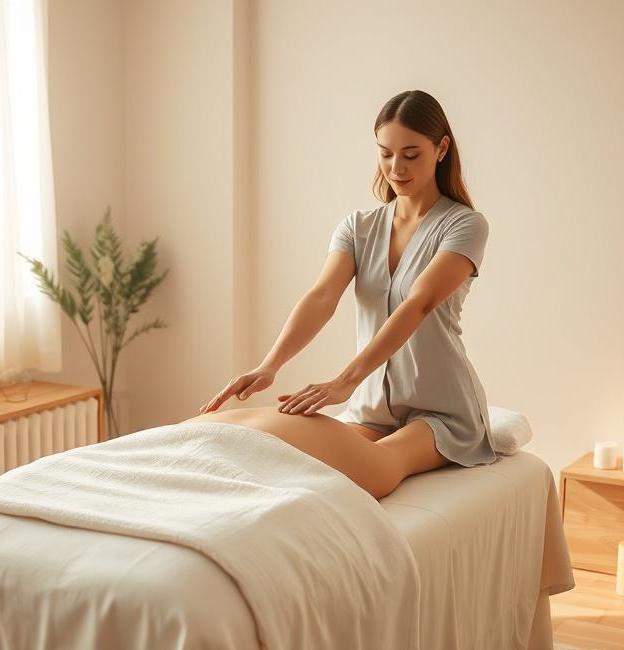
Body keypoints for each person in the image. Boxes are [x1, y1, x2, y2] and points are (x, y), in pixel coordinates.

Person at [185, 90, 497, 499]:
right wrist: (270, 365)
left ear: (441, 149)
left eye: (411, 154)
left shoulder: (465, 225)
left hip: (441, 411)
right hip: (372, 410)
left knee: (380, 466)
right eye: (385, 154)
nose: (396, 168)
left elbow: (418, 303)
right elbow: (321, 297)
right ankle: (189, 442)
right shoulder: (358, 227)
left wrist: (344, 381)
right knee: (276, 439)